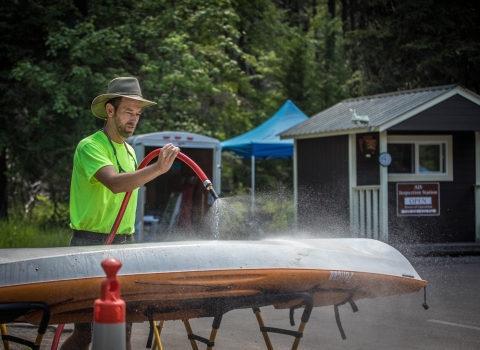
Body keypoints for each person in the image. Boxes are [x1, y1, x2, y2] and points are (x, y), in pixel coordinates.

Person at [61, 77, 180, 350]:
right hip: (90, 245)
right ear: (110, 110)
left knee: (123, 328)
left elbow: (130, 181)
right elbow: (115, 183)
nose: (134, 119)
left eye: (138, 114)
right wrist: (158, 169)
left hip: (125, 243)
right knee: (86, 332)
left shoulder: (128, 150)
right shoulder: (90, 146)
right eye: (128, 111)